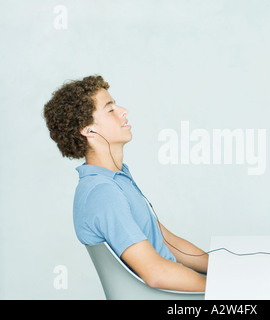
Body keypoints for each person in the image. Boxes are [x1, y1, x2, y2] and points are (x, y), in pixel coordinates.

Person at [43, 75, 208, 292]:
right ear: (88, 129)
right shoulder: (102, 193)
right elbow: (156, 273)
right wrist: (226, 287)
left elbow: (168, 242)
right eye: (110, 109)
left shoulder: (116, 179)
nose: (123, 111)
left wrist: (225, 269)